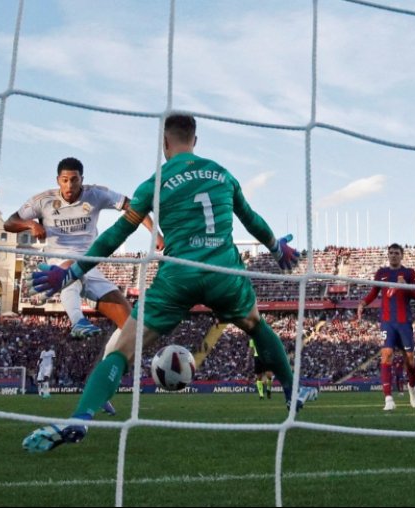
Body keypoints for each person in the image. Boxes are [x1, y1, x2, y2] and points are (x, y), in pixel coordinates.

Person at [22, 113, 306, 453]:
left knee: (122, 350)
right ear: (194, 141)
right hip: (224, 273)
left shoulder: (154, 183)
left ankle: (81, 418)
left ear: (164, 143)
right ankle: (292, 390)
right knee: (256, 325)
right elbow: (251, 219)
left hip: (178, 276)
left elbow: (116, 234)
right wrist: (276, 248)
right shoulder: (222, 174)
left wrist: (71, 273)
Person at [6, 157, 163, 415]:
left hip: (92, 263)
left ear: (82, 179)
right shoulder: (43, 201)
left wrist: (155, 233)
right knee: (69, 270)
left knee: (130, 328)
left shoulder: (96, 194)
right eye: (65, 180)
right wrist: (30, 224)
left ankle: (97, 387)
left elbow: (132, 206)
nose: (69, 185)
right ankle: (77, 320)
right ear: (58, 180)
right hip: (58, 262)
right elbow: (9, 222)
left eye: (74, 180)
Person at [357, 243, 415, 411]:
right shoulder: (381, 273)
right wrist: (363, 303)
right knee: (386, 355)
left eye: (396, 253)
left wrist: (405, 286)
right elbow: (373, 292)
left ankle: (412, 386)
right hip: (387, 322)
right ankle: (388, 398)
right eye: (391, 252)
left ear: (402, 255)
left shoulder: (409, 273)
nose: (393, 255)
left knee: (410, 360)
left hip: (404, 322)